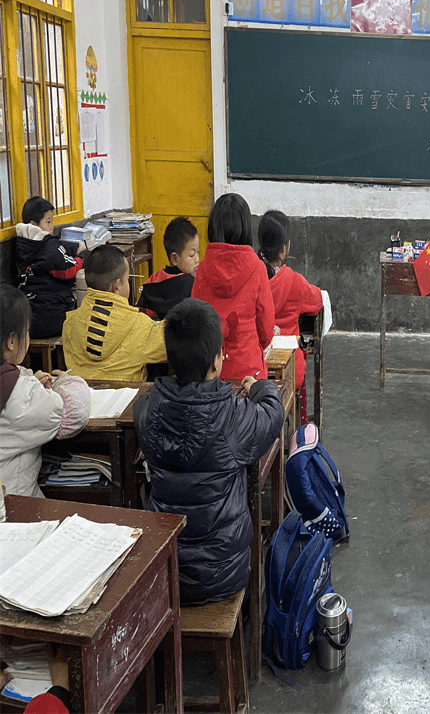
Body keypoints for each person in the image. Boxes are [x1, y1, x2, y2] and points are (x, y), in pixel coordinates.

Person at [133, 298, 284, 605]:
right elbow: (273, 414)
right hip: (222, 573)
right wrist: (258, 388)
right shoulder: (232, 418)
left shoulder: (148, 410)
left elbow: (144, 409)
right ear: (217, 361)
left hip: (165, 567)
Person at [0, 285, 90, 498]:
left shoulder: (16, 385)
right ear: (12, 341)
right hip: (14, 506)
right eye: (27, 331)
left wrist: (29, 381)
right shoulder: (19, 392)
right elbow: (74, 414)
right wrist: (68, 382)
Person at [192, 193, 275, 382]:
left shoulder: (203, 268)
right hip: (249, 376)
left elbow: (196, 323)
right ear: (246, 228)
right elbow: (267, 330)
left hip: (210, 376)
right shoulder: (257, 267)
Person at [62, 245, 167, 381]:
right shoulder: (139, 325)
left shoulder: (69, 324)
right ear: (117, 286)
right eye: (127, 279)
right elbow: (172, 345)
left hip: (83, 398)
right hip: (126, 400)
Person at [258, 210, 323, 423]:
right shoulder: (293, 281)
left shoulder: (253, 276)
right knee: (299, 378)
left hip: (258, 365)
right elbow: (316, 303)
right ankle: (299, 426)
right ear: (284, 249)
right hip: (289, 369)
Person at [14, 196, 87, 338]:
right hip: (52, 319)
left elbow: (55, 250)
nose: (52, 226)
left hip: (27, 320)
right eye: (48, 222)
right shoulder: (50, 247)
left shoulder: (21, 245)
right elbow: (69, 271)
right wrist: (83, 256)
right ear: (34, 224)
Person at [137, 216, 200, 319]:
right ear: (174, 258)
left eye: (198, 252)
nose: (197, 259)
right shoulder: (192, 285)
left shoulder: (153, 280)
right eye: (192, 255)